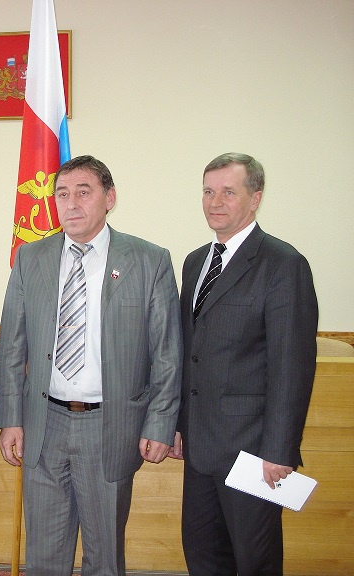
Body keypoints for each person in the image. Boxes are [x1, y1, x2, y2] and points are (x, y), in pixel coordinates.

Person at [0, 155, 183, 576]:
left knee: (104, 556)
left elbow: (167, 354)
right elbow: (11, 348)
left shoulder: (149, 260)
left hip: (110, 426)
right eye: (62, 194)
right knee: (44, 555)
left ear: (109, 198)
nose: (72, 203)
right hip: (44, 423)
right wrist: (10, 418)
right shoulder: (31, 258)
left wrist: (159, 423)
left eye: (84, 192)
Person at [172, 153, 318, 575]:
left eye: (228, 192)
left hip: (253, 453)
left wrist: (279, 449)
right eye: (208, 191)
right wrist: (178, 423)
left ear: (255, 199)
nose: (215, 202)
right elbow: (190, 353)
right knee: (202, 555)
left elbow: (292, 366)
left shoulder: (283, 264)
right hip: (199, 447)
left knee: (255, 562)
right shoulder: (195, 261)